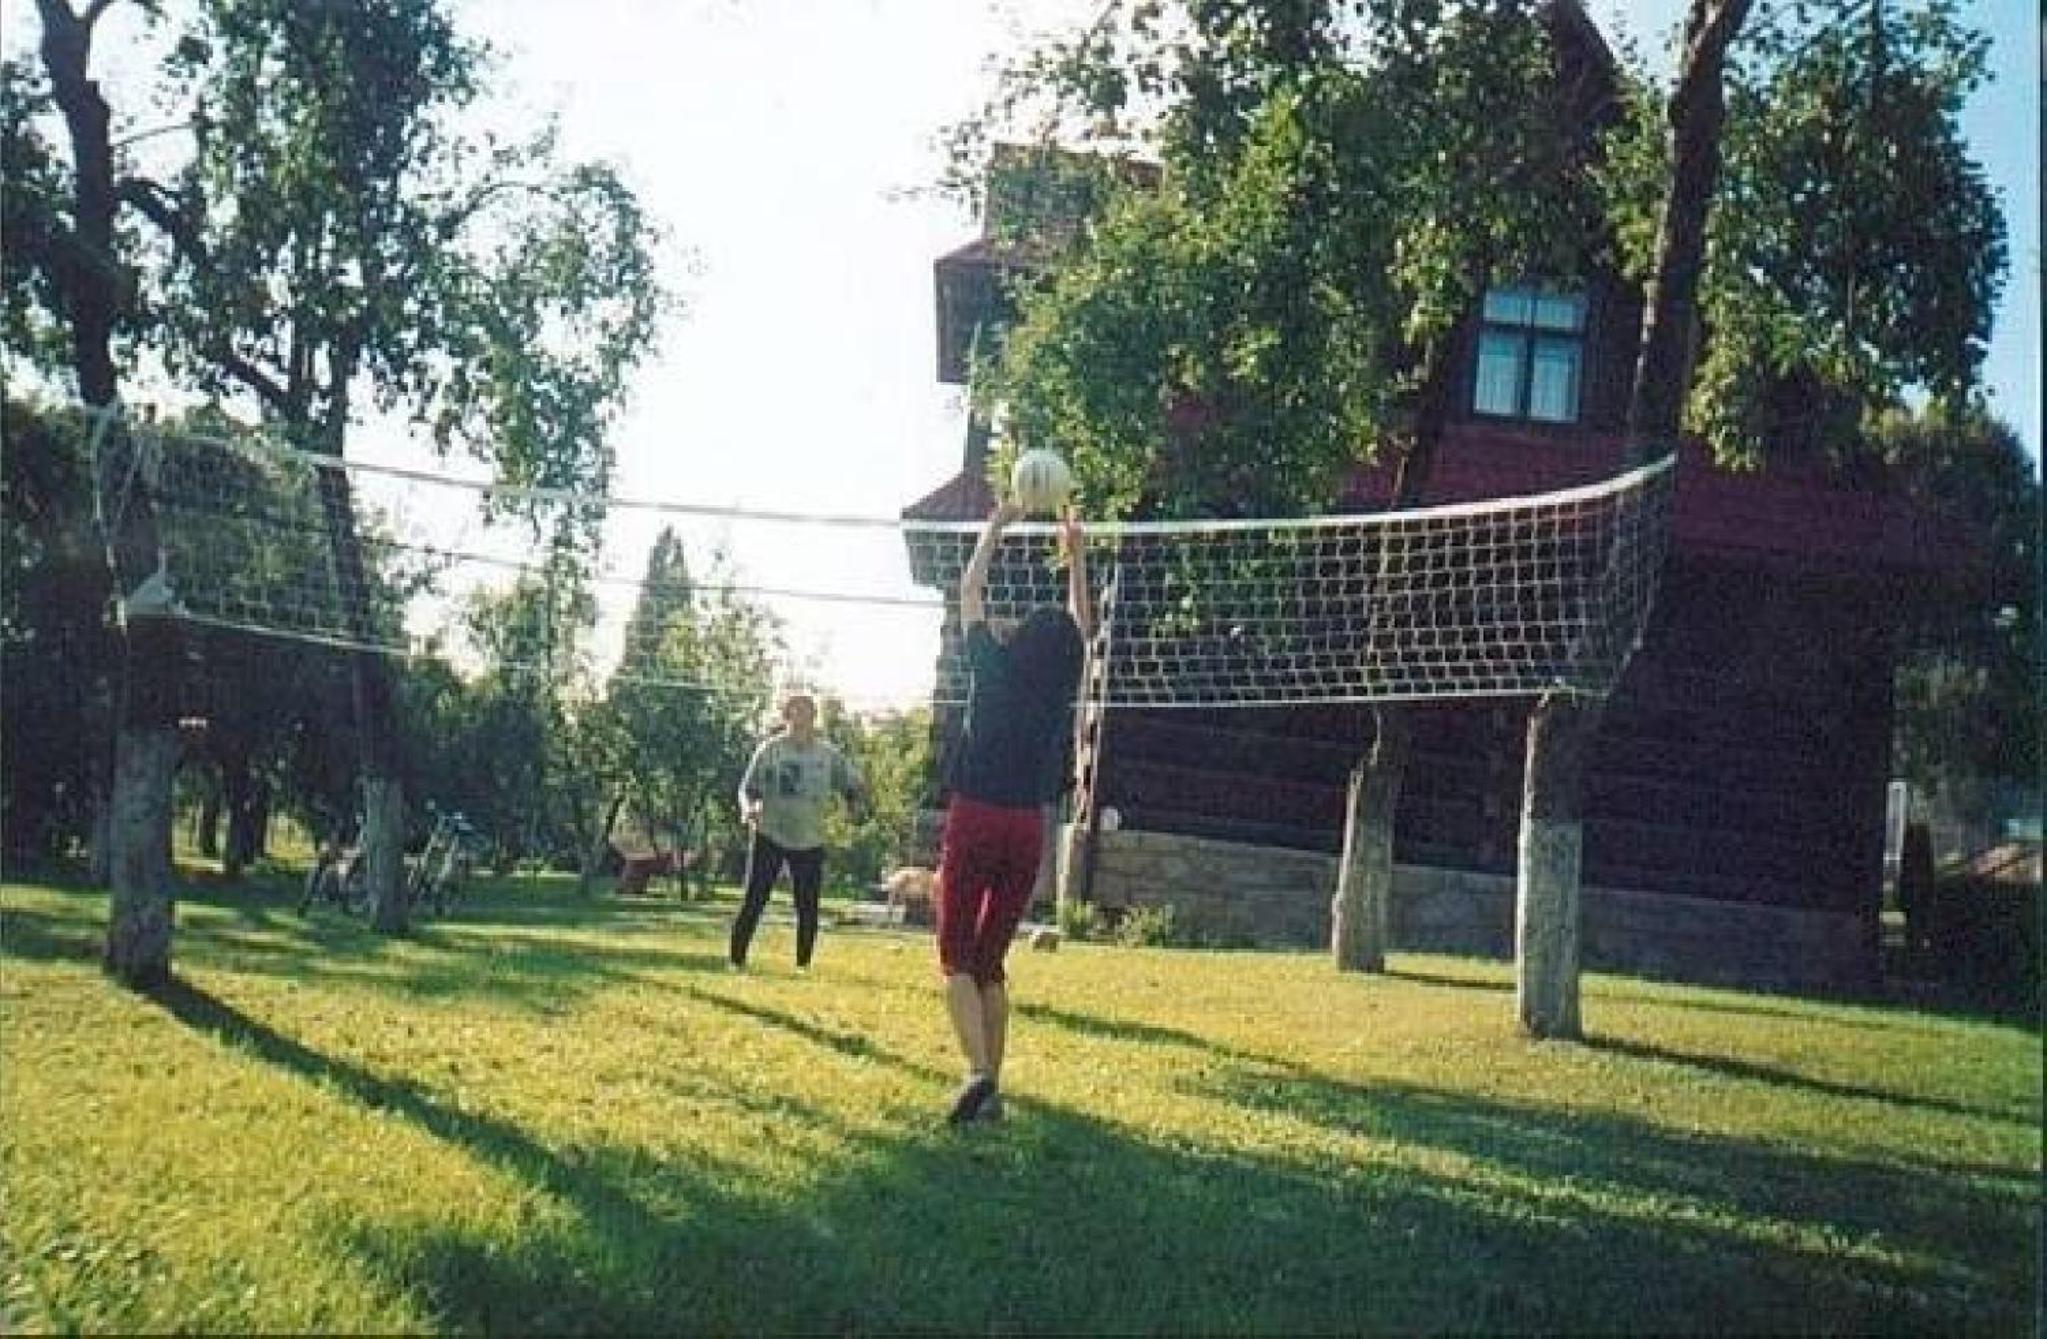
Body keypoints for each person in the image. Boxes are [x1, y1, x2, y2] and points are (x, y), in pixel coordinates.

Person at [937, 499, 1090, 1125]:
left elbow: (969, 593)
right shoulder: (1062, 687)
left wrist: (994, 529)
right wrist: (1076, 557)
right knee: (990, 963)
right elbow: (1082, 626)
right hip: (1028, 827)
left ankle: (977, 1074)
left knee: (955, 958)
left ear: (1021, 638)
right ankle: (991, 1094)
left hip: (976, 816)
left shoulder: (992, 668)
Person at [730, 691, 866, 971]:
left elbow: (851, 784)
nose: (801, 717)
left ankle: (803, 965)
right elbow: (747, 788)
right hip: (770, 833)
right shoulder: (770, 750)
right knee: (755, 898)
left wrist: (853, 805)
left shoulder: (827, 755)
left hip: (809, 839)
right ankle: (736, 960)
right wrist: (749, 808)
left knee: (808, 906)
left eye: (807, 711)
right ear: (786, 716)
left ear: (814, 717)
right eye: (795, 710)